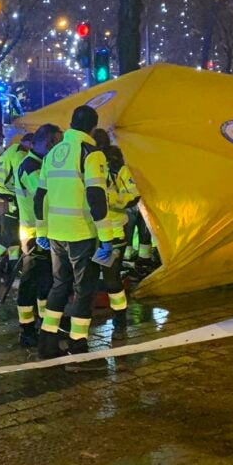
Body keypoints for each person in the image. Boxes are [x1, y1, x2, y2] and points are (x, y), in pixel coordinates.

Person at [34, 105, 113, 364]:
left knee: (59, 285)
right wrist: (107, 237)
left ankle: (47, 342)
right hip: (82, 233)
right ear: (92, 127)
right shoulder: (91, 154)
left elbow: (40, 195)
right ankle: (78, 347)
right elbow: (96, 197)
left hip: (56, 234)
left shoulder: (53, 152)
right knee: (84, 290)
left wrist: (41, 229)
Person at [13, 126, 60, 346]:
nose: (55, 148)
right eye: (53, 143)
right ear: (45, 143)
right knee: (30, 282)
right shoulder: (31, 168)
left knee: (44, 281)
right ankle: (27, 330)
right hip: (33, 234)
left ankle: (42, 323)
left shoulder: (38, 164)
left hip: (39, 232)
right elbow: (42, 197)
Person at [0, 133, 33, 280]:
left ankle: (12, 268)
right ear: (29, 143)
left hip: (1, 195)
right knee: (9, 235)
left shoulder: (12, 150)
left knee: (14, 235)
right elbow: (22, 178)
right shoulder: (19, 154)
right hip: (5, 197)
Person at [104, 143, 139, 336]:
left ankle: (120, 318)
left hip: (114, 234)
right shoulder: (92, 171)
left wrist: (114, 200)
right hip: (96, 235)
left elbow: (133, 196)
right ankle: (118, 317)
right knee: (105, 276)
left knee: (111, 276)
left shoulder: (119, 171)